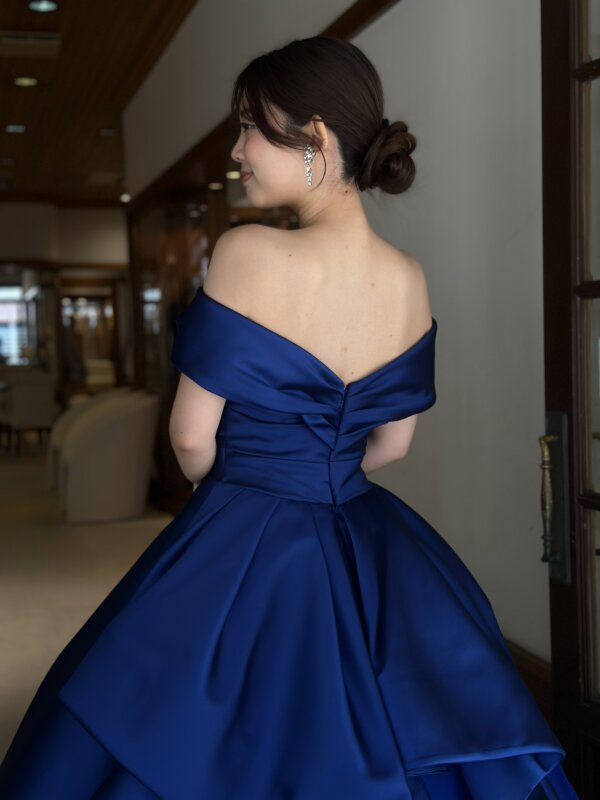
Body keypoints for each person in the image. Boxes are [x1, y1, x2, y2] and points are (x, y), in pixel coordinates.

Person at [0, 35, 578, 800]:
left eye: (249, 127)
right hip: (364, 525)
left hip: (248, 514)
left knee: (174, 724)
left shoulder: (247, 251)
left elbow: (190, 437)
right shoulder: (408, 277)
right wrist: (321, 474)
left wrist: (244, 493)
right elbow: (394, 443)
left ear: (316, 136)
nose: (237, 150)